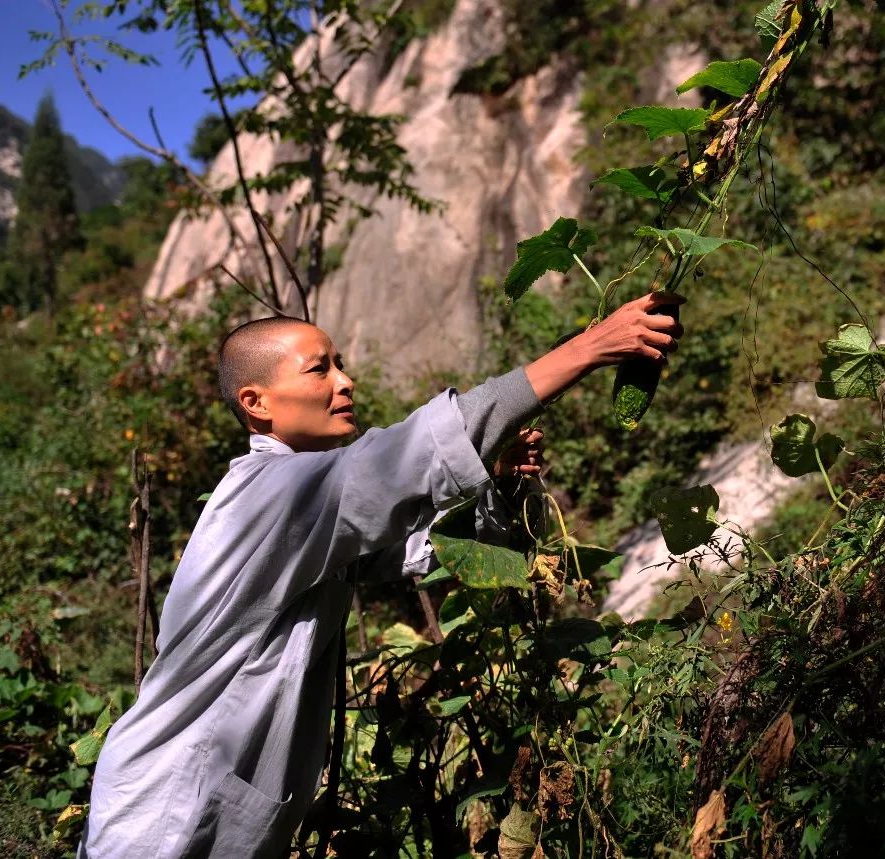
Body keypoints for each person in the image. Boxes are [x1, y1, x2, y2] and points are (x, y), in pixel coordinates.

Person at [77, 291, 684, 858]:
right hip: (164, 814)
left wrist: (496, 482)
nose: (346, 383)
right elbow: (418, 450)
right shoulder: (269, 494)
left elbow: (430, 552)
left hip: (195, 806)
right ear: (255, 403)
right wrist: (591, 347)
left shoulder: (305, 510)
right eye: (319, 370)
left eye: (340, 365)